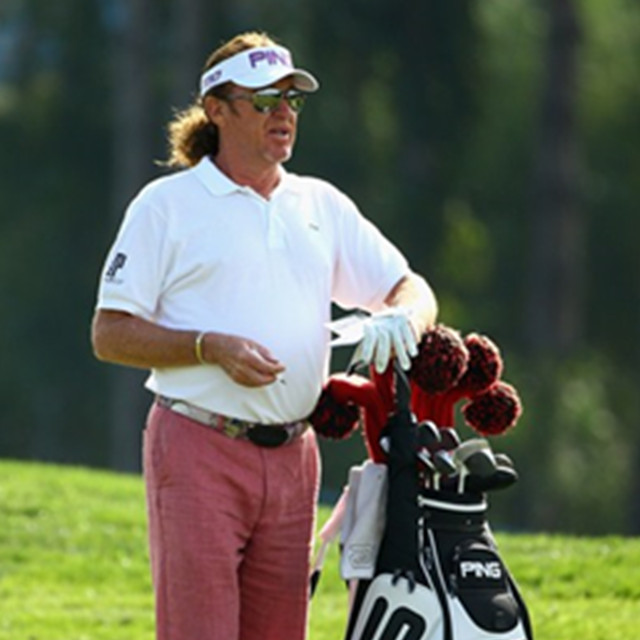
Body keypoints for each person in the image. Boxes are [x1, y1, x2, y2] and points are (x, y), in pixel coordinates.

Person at [91, 30, 438, 640]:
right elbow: (110, 333)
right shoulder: (166, 205)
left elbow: (411, 288)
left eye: (291, 100)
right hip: (198, 447)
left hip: (294, 458)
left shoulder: (320, 204)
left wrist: (402, 319)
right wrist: (208, 347)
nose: (283, 114)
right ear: (217, 110)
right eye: (264, 100)